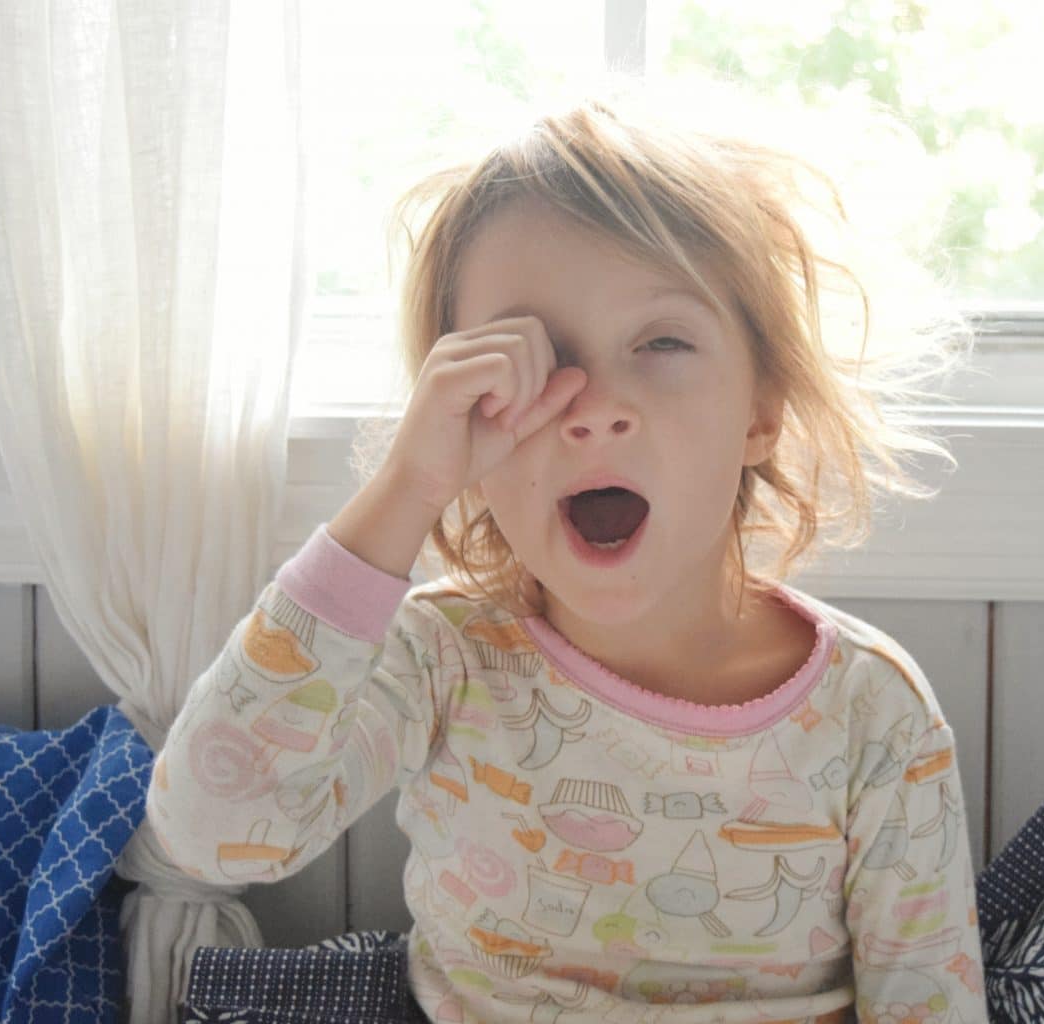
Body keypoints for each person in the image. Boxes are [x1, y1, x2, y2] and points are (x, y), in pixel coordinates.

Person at [147, 82, 988, 1024]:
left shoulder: (872, 712)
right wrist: (405, 490)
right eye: (533, 357)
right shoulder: (443, 656)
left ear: (760, 411)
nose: (594, 407)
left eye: (662, 341)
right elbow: (209, 833)